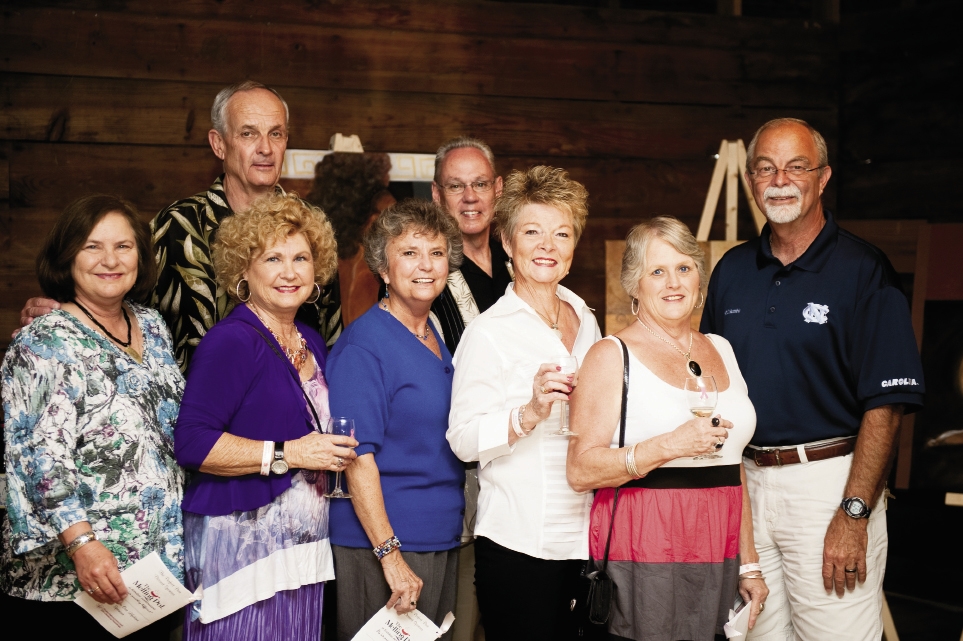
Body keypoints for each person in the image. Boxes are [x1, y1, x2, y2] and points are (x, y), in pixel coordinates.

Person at [701, 117, 925, 640]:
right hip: (748, 486)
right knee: (754, 635)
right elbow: (711, 388)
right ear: (752, 181)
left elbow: (885, 408)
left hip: (828, 485)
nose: (780, 179)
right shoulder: (731, 272)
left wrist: (854, 513)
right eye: (765, 168)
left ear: (822, 178)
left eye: (796, 167)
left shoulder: (865, 271)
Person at [17, 81, 342, 371]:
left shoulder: (310, 227)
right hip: (193, 417)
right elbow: (113, 300)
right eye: (248, 133)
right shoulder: (177, 225)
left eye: (276, 133)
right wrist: (62, 313)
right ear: (219, 144)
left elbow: (332, 335)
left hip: (299, 409)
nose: (266, 148)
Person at [567, 216, 767, 640]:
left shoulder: (723, 348)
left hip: (718, 543)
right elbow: (581, 471)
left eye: (684, 268)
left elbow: (734, 467)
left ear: (699, 276)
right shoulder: (610, 354)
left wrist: (749, 563)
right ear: (634, 284)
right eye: (657, 271)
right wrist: (671, 445)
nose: (673, 282)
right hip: (646, 542)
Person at [174, 192, 358, 640]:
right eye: (273, 258)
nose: (290, 272)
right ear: (244, 270)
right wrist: (292, 453)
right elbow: (193, 444)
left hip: (302, 546)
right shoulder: (233, 341)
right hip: (243, 547)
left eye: (301, 258)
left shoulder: (311, 340)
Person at [1, 195, 185, 640]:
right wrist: (82, 545)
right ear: (67, 257)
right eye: (92, 247)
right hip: (74, 582)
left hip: (152, 575)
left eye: (123, 246)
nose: (110, 260)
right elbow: (38, 458)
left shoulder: (153, 326)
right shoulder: (43, 342)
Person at [447, 165, 601, 640]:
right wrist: (528, 414)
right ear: (508, 243)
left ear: (573, 249)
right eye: (532, 232)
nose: (547, 246)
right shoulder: (487, 332)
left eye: (561, 233)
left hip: (585, 541)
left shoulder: (586, 317)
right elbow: (462, 440)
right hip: (519, 544)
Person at [326, 199, 466, 641]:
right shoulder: (365, 346)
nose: (426, 265)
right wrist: (390, 556)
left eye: (437, 253)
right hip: (385, 545)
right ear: (383, 269)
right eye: (409, 252)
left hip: (438, 536)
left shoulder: (432, 335)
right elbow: (355, 458)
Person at [430, 136, 513, 354]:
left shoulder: (519, 261)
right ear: (437, 195)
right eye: (456, 186)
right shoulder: (424, 271)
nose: (470, 197)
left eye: (480, 184)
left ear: (498, 189)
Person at [305, 151, 394, 325]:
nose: (397, 227)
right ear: (370, 217)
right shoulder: (368, 271)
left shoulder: (329, 261)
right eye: (389, 216)